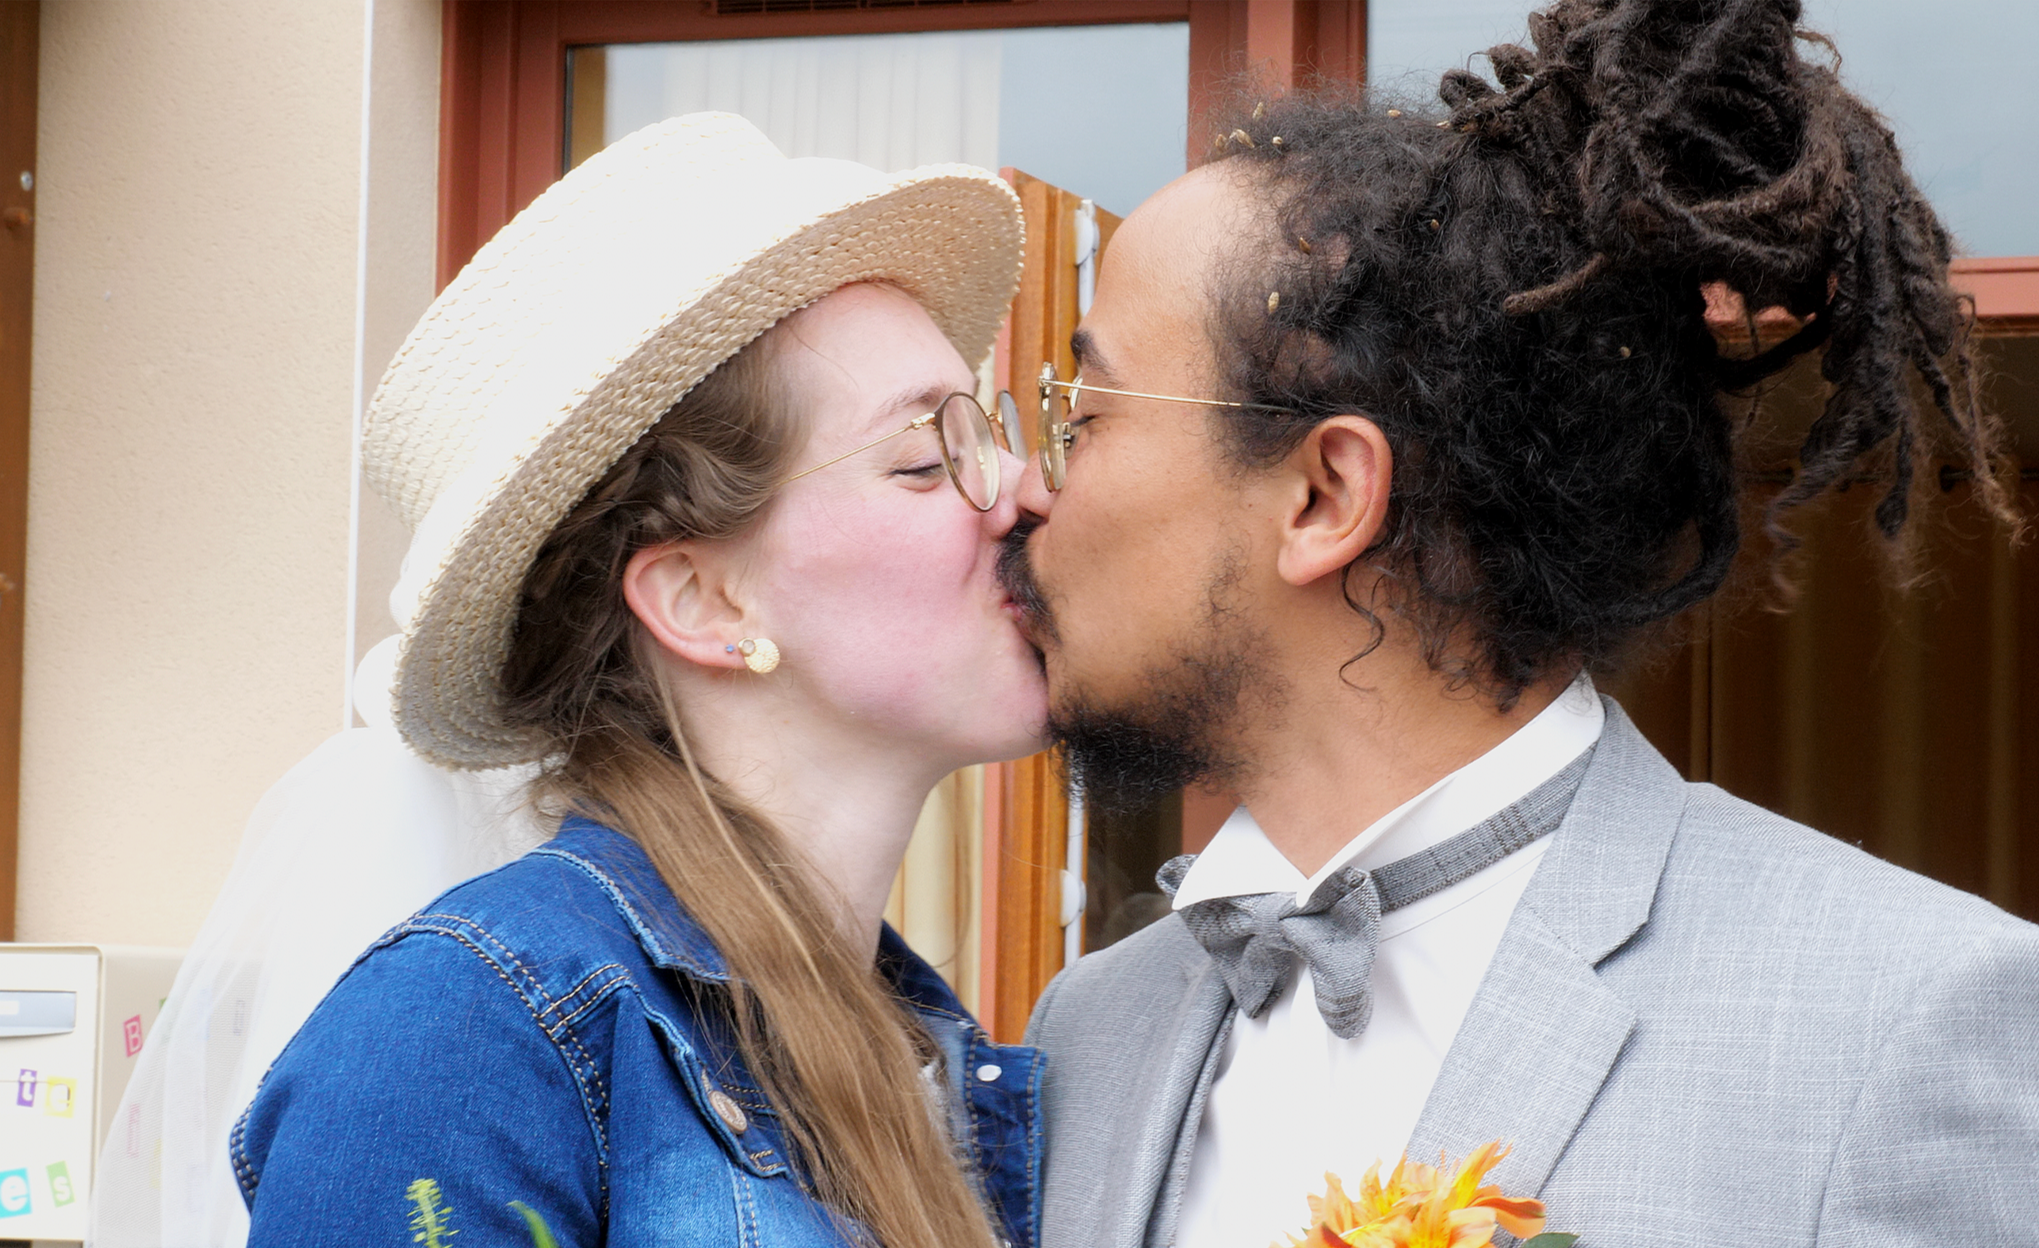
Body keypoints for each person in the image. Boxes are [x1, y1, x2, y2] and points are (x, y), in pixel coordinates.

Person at [1006, 1, 2039, 1244]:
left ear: (1324, 494)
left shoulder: (1898, 1016)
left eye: (1086, 415)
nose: (1028, 490)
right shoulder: (1088, 1030)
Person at [137, 113, 1047, 1248]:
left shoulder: (931, 1058)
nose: (1025, 494)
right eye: (923, 460)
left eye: (992, 430)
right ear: (705, 603)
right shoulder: (463, 1039)